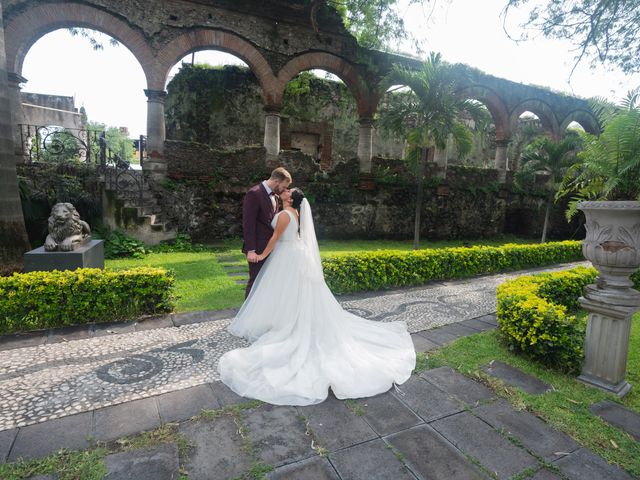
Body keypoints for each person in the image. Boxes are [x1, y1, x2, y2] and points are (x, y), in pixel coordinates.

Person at [218, 188, 416, 406]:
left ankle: (286, 324)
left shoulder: (285, 214)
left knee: (284, 292)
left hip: (285, 256)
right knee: (289, 293)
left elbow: (275, 237)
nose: (284, 191)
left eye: (288, 191)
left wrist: (262, 255)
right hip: (292, 255)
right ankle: (284, 320)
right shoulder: (293, 213)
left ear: (291, 199)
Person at [241, 167, 292, 297]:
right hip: (257, 248)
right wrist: (251, 249)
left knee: (267, 283)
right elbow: (248, 224)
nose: (284, 190)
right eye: (283, 186)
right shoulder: (254, 193)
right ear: (276, 181)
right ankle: (247, 315)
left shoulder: (275, 196)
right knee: (255, 282)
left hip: (271, 248)